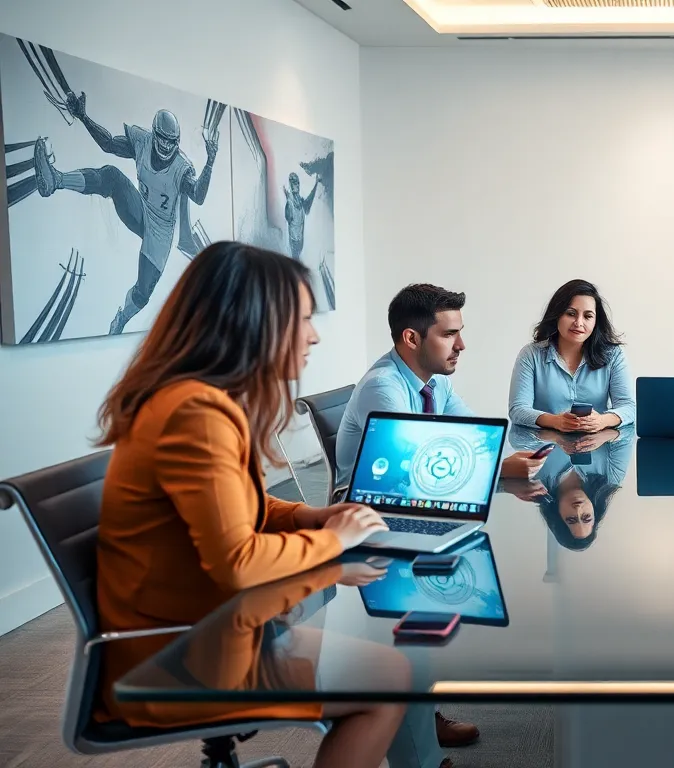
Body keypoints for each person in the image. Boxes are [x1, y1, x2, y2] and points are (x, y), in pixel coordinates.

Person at [94, 242, 405, 768]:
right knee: (392, 679)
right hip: (176, 659)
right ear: (255, 321)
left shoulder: (197, 399)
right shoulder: (196, 413)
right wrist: (334, 541)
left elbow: (247, 505)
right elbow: (237, 563)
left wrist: (309, 517)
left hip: (193, 631)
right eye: (303, 319)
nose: (314, 334)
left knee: (385, 664)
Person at [33, 93, 220, 334]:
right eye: (162, 140)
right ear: (154, 135)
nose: (165, 146)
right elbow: (109, 143)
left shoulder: (181, 168)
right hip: (140, 210)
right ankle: (55, 180)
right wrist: (83, 117)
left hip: (161, 233)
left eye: (170, 142)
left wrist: (210, 163)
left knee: (142, 293)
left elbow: (198, 195)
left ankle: (122, 320)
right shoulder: (142, 142)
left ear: (177, 143)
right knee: (111, 175)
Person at [336, 284, 544, 489]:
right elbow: (409, 465)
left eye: (459, 333)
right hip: (371, 506)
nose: (461, 345)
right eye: (448, 334)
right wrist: (500, 468)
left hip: (422, 493)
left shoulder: (437, 381)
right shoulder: (381, 387)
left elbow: (474, 432)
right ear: (412, 339)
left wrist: (510, 457)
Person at [509, 279, 635, 432]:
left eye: (588, 316)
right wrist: (555, 421)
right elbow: (518, 410)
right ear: (557, 315)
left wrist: (602, 420)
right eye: (571, 314)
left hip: (599, 446)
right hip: (545, 448)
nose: (578, 323)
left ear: (596, 321)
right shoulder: (531, 354)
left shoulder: (613, 355)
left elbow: (629, 408)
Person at [509, 425, 632, 551]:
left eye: (571, 519)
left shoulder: (536, 479)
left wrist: (554, 437)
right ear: (594, 512)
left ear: (558, 516)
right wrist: (606, 435)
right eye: (586, 517)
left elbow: (516, 436)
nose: (578, 509)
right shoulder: (610, 478)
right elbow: (630, 431)